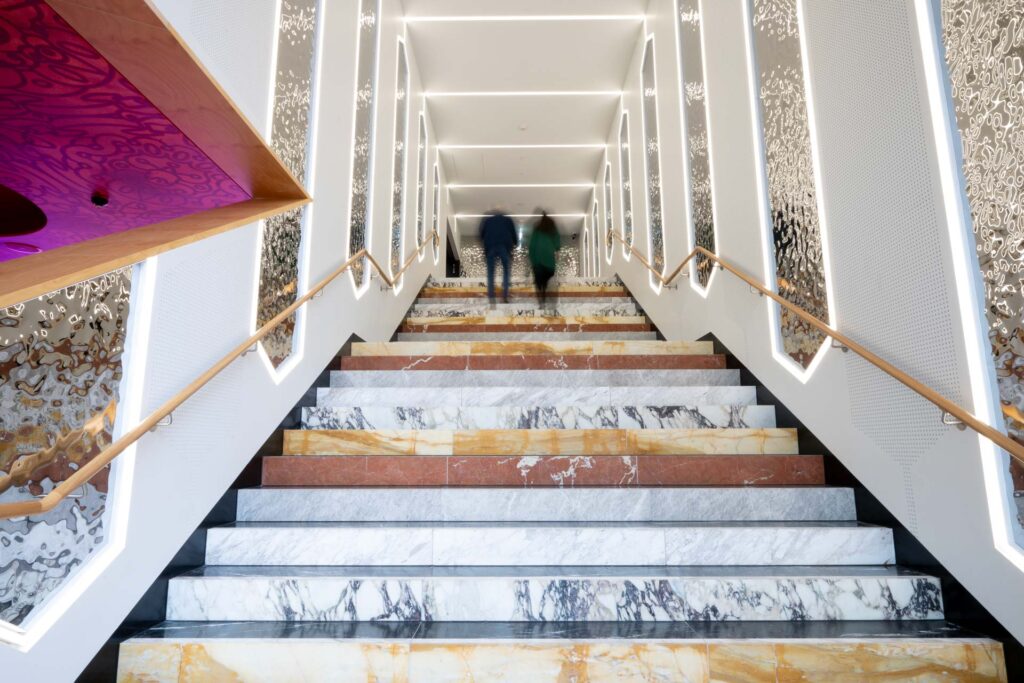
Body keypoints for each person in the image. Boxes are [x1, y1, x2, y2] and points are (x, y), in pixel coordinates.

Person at [479, 208, 518, 304]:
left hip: (490, 247)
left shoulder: (488, 220)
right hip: (504, 247)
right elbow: (513, 234)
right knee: (506, 271)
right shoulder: (508, 220)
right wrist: (515, 243)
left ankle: (491, 297)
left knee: (491, 272)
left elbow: (481, 234)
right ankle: (504, 295)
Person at [528, 210, 561, 311]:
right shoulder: (552, 229)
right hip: (549, 262)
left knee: (539, 284)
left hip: (537, 262)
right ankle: (550, 301)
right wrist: (557, 251)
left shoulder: (536, 230)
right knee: (547, 282)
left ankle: (541, 302)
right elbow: (557, 242)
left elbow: (532, 245)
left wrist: (531, 259)